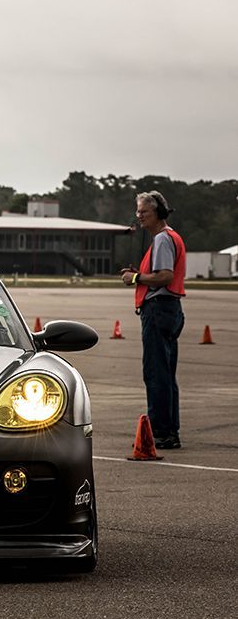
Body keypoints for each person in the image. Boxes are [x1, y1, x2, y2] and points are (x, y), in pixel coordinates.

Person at [120, 190, 186, 449]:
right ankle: (169, 430)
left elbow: (164, 276)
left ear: (158, 213)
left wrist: (136, 278)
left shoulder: (162, 239)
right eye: (138, 211)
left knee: (156, 373)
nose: (139, 216)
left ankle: (162, 432)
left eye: (144, 211)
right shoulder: (171, 237)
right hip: (169, 310)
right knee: (166, 374)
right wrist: (142, 275)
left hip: (158, 310)